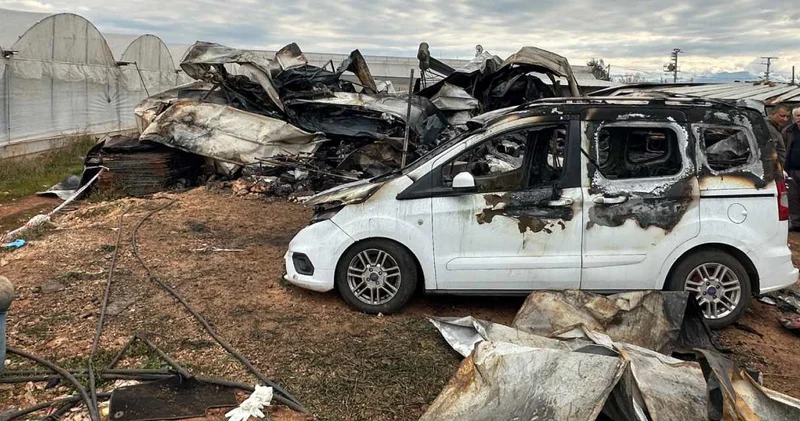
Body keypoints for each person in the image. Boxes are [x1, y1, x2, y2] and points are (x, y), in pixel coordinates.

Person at [783, 107, 800, 230]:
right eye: (798, 116)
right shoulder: (788, 131)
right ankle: (796, 223)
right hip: (792, 170)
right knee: (793, 197)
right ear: (794, 118)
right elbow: (782, 148)